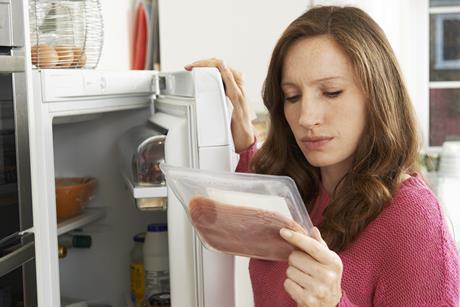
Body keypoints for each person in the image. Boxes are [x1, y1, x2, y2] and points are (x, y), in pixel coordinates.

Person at [185, 5, 459, 306]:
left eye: (331, 92)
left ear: (377, 96)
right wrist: (242, 136)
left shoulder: (412, 217)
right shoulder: (295, 190)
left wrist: (332, 303)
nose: (306, 117)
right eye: (293, 96)